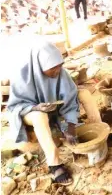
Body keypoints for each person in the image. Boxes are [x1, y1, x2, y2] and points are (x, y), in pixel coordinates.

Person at [7, 41, 79, 185]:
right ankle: (55, 164)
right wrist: (35, 108)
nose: (57, 71)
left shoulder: (60, 72)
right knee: (40, 116)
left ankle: (98, 131)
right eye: (52, 68)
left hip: (52, 110)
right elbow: (14, 106)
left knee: (85, 95)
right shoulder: (22, 75)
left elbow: (70, 97)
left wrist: (71, 127)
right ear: (39, 65)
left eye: (60, 66)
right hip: (30, 113)